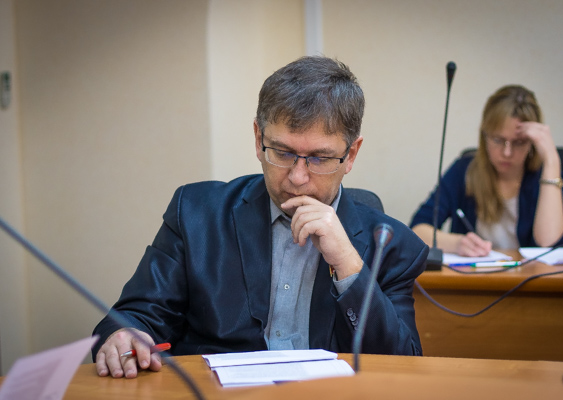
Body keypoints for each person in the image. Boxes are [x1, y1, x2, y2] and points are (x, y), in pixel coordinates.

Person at [92, 56, 428, 379]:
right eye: (282, 152)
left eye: (319, 158)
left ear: (350, 154)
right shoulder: (195, 214)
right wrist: (126, 335)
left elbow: (403, 366)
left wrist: (348, 265)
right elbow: (137, 316)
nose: (297, 177)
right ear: (258, 139)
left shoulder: (392, 246)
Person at [410, 85, 563, 257]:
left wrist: (551, 160)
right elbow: (417, 230)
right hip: (473, 273)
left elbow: (548, 244)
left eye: (519, 142)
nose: (507, 152)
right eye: (498, 140)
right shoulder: (463, 171)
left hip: (530, 274)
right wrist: (457, 243)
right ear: (484, 136)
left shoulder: (552, 180)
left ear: (531, 143)